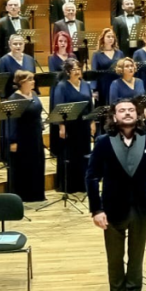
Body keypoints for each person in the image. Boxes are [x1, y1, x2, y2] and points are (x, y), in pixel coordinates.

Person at [87, 98, 146, 291]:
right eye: (122, 110)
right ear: (114, 117)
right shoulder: (103, 141)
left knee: (136, 258)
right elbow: (92, 177)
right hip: (112, 209)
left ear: (138, 115)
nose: (127, 113)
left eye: (131, 110)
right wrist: (96, 210)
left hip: (142, 208)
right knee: (114, 258)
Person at [52, 58, 93, 194]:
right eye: (74, 69)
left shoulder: (86, 84)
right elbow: (59, 107)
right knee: (70, 154)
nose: (77, 72)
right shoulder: (62, 86)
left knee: (84, 153)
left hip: (84, 124)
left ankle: (82, 184)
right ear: (68, 72)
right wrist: (61, 126)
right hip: (70, 125)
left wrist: (92, 121)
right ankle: (68, 185)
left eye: (78, 69)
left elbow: (90, 104)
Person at [5, 71, 46, 202]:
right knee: (24, 166)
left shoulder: (33, 95)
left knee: (37, 164)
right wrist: (13, 141)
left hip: (35, 135)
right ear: (21, 83)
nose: (33, 82)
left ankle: (37, 194)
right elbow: (11, 121)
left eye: (33, 79)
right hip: (22, 138)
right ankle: (24, 195)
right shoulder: (14, 99)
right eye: (30, 80)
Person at [92, 29, 125, 106]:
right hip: (103, 85)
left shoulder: (120, 53)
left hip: (118, 83)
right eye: (108, 36)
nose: (111, 38)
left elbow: (123, 69)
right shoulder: (97, 54)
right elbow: (94, 73)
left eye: (112, 37)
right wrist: (94, 90)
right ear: (103, 38)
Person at [0, 34, 37, 98]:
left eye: (20, 44)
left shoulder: (30, 59)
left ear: (24, 44)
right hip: (11, 96)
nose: (18, 46)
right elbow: (0, 84)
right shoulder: (3, 61)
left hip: (29, 95)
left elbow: (33, 78)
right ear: (10, 44)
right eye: (15, 44)